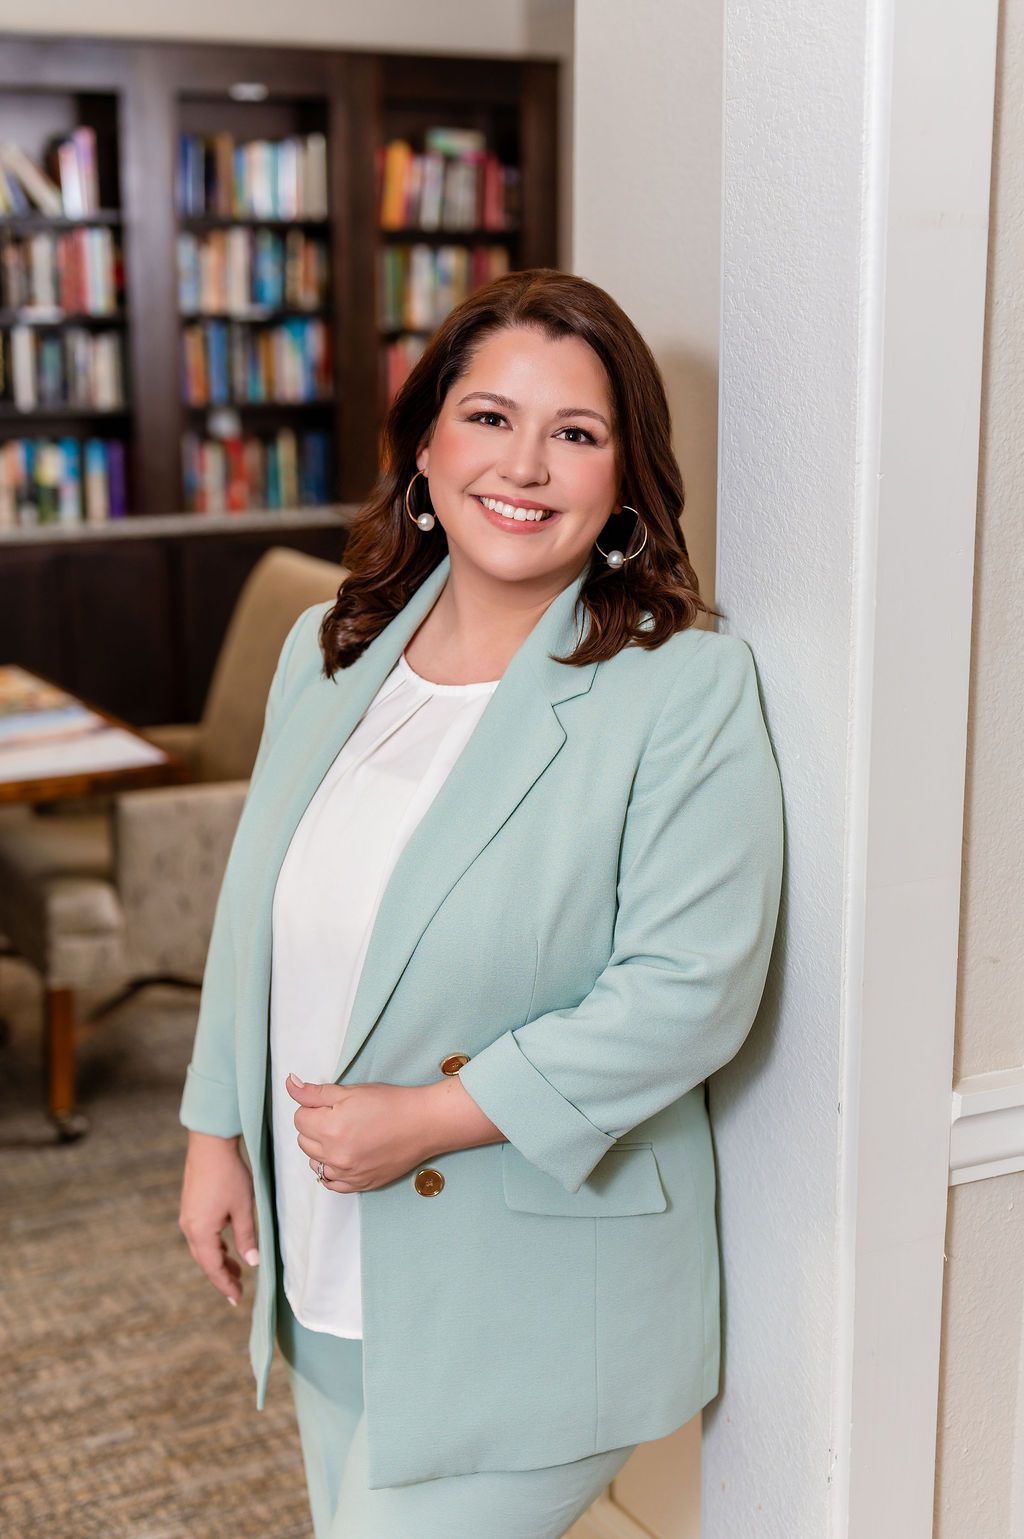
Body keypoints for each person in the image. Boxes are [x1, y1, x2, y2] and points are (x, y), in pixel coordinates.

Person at [177, 267, 784, 1539]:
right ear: (424, 447)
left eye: (576, 433)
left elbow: (689, 990)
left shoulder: (681, 685)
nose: (527, 464)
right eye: (491, 418)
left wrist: (438, 1118)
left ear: (624, 481)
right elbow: (262, 915)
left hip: (535, 1294)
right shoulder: (333, 648)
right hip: (334, 1265)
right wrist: (213, 1131)